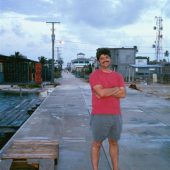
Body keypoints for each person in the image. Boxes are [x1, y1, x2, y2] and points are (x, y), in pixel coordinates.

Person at [89, 48, 126, 170]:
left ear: (110, 58)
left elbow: (123, 94)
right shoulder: (95, 75)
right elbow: (100, 92)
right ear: (99, 61)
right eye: (102, 58)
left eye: (106, 57)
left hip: (116, 115)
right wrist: (115, 89)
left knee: (114, 142)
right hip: (99, 115)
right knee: (97, 144)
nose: (105, 60)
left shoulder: (118, 76)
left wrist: (105, 92)